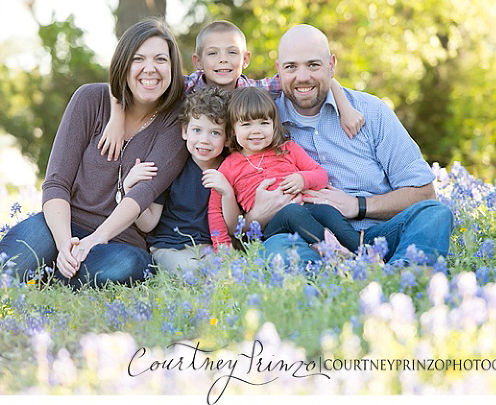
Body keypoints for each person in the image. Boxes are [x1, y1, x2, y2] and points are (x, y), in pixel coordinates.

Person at [0, 18, 189, 290]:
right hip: (61, 225)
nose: (150, 69)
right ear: (123, 64)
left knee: (128, 265)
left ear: (172, 68)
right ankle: (2, 270)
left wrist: (95, 240)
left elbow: (142, 193)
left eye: (160, 60)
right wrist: (64, 243)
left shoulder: (176, 122)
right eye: (138, 59)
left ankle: (43, 278)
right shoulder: (90, 100)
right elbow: (56, 183)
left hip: (118, 242)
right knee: (26, 252)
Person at [244, 24, 453, 268]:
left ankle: (401, 276)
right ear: (278, 69)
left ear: (331, 65)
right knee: (276, 249)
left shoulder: (371, 112)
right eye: (291, 67)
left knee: (434, 214)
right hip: (308, 242)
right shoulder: (261, 121)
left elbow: (423, 192)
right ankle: (330, 288)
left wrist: (358, 206)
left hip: (376, 238)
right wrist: (256, 216)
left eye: (313, 65)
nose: (302, 77)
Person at [97, 20, 365, 161]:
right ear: (198, 62)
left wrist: (345, 106)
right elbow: (124, 80)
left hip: (240, 167)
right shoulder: (188, 85)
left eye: (232, 53)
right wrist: (116, 119)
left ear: (245, 59)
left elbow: (301, 76)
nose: (223, 60)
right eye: (213, 53)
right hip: (197, 161)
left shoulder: (253, 90)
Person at [207, 87, 361, 254]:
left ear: (274, 125)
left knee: (328, 211)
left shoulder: (288, 149)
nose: (256, 130)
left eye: (264, 123)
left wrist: (303, 179)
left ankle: (364, 253)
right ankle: (333, 251)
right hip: (268, 228)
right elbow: (215, 212)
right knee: (291, 212)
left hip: (306, 208)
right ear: (232, 130)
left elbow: (321, 175)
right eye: (246, 124)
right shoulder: (228, 166)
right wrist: (223, 251)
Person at [122, 86, 235, 275]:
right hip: (170, 248)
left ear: (227, 138)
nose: (204, 140)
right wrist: (129, 188)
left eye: (215, 133)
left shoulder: (229, 169)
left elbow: (232, 227)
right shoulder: (174, 168)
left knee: (234, 273)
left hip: (212, 247)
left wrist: (227, 192)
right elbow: (148, 224)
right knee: (191, 272)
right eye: (197, 130)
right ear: (184, 131)